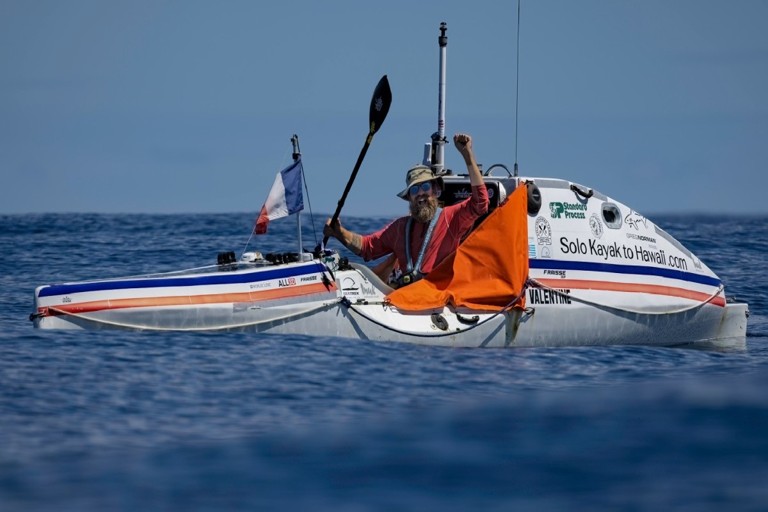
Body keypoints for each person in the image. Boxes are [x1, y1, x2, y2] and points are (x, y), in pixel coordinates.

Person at [323, 133, 489, 287]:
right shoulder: (400, 228)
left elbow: (481, 203)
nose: (421, 194)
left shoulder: (451, 218)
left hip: (439, 302)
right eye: (414, 190)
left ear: (436, 190)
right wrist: (339, 232)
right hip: (406, 301)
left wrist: (468, 156)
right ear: (409, 198)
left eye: (425, 187)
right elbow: (367, 248)